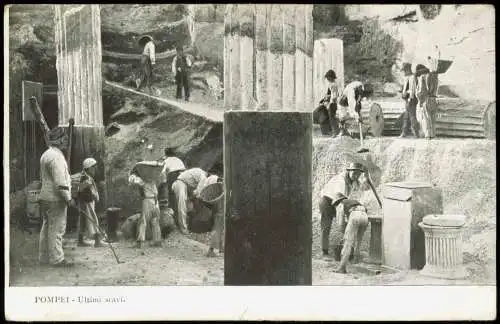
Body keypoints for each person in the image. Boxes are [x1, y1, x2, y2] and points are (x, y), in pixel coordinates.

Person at [38, 127, 75, 267]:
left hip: (45, 196)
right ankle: (57, 259)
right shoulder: (57, 157)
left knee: (46, 227)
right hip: (55, 198)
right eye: (64, 139)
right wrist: (68, 198)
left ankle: (43, 258)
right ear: (59, 141)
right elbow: (60, 182)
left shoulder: (46, 154)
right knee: (57, 229)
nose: (65, 141)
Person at [319, 162, 365, 261]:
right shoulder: (341, 180)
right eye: (354, 173)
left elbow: (355, 194)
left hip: (338, 201)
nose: (356, 176)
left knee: (346, 223)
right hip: (327, 201)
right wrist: (355, 203)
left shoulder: (353, 181)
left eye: (358, 174)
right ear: (349, 171)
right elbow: (339, 198)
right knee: (326, 225)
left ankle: (346, 249)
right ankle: (324, 252)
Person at [128, 166, 162, 248]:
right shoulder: (153, 179)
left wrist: (131, 175)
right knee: (155, 221)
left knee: (143, 221)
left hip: (147, 200)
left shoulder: (141, 179)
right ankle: (157, 241)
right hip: (155, 201)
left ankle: (140, 242)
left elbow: (132, 181)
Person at [333, 198, 369, 273]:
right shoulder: (354, 201)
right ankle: (356, 261)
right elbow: (365, 209)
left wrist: (344, 233)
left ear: (336, 203)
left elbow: (340, 223)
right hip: (365, 216)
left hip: (355, 216)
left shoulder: (340, 205)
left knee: (347, 243)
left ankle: (342, 268)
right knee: (358, 242)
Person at [171, 167, 211, 234]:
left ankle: (187, 226)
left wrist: (193, 198)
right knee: (182, 206)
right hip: (180, 184)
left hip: (185, 186)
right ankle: (183, 229)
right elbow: (197, 193)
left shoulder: (199, 172)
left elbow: (195, 192)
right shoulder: (203, 176)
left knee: (189, 207)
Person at [76, 158, 103, 248]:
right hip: (87, 201)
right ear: (90, 168)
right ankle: (97, 240)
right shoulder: (86, 178)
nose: (95, 169)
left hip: (82, 202)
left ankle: (80, 240)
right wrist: (95, 197)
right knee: (93, 219)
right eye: (94, 167)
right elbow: (83, 189)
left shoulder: (84, 176)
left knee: (83, 221)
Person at [416, 59, 438, 140]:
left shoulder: (423, 77)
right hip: (434, 99)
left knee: (426, 117)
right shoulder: (435, 76)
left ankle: (428, 135)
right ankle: (434, 134)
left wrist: (419, 98)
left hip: (426, 99)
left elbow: (421, 91)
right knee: (433, 117)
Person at [314, 70, 340, 136]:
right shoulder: (331, 84)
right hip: (331, 103)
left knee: (332, 119)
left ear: (331, 77)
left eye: (328, 77)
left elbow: (334, 96)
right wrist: (323, 100)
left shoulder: (333, 85)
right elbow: (328, 94)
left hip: (332, 103)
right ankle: (333, 131)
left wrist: (329, 104)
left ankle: (335, 132)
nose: (327, 79)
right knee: (331, 118)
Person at [400, 64, 420, 138]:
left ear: (408, 69)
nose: (404, 72)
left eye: (405, 70)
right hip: (408, 100)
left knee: (412, 116)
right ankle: (404, 132)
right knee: (406, 116)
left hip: (411, 99)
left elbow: (413, 90)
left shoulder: (413, 78)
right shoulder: (408, 78)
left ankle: (416, 133)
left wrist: (406, 93)